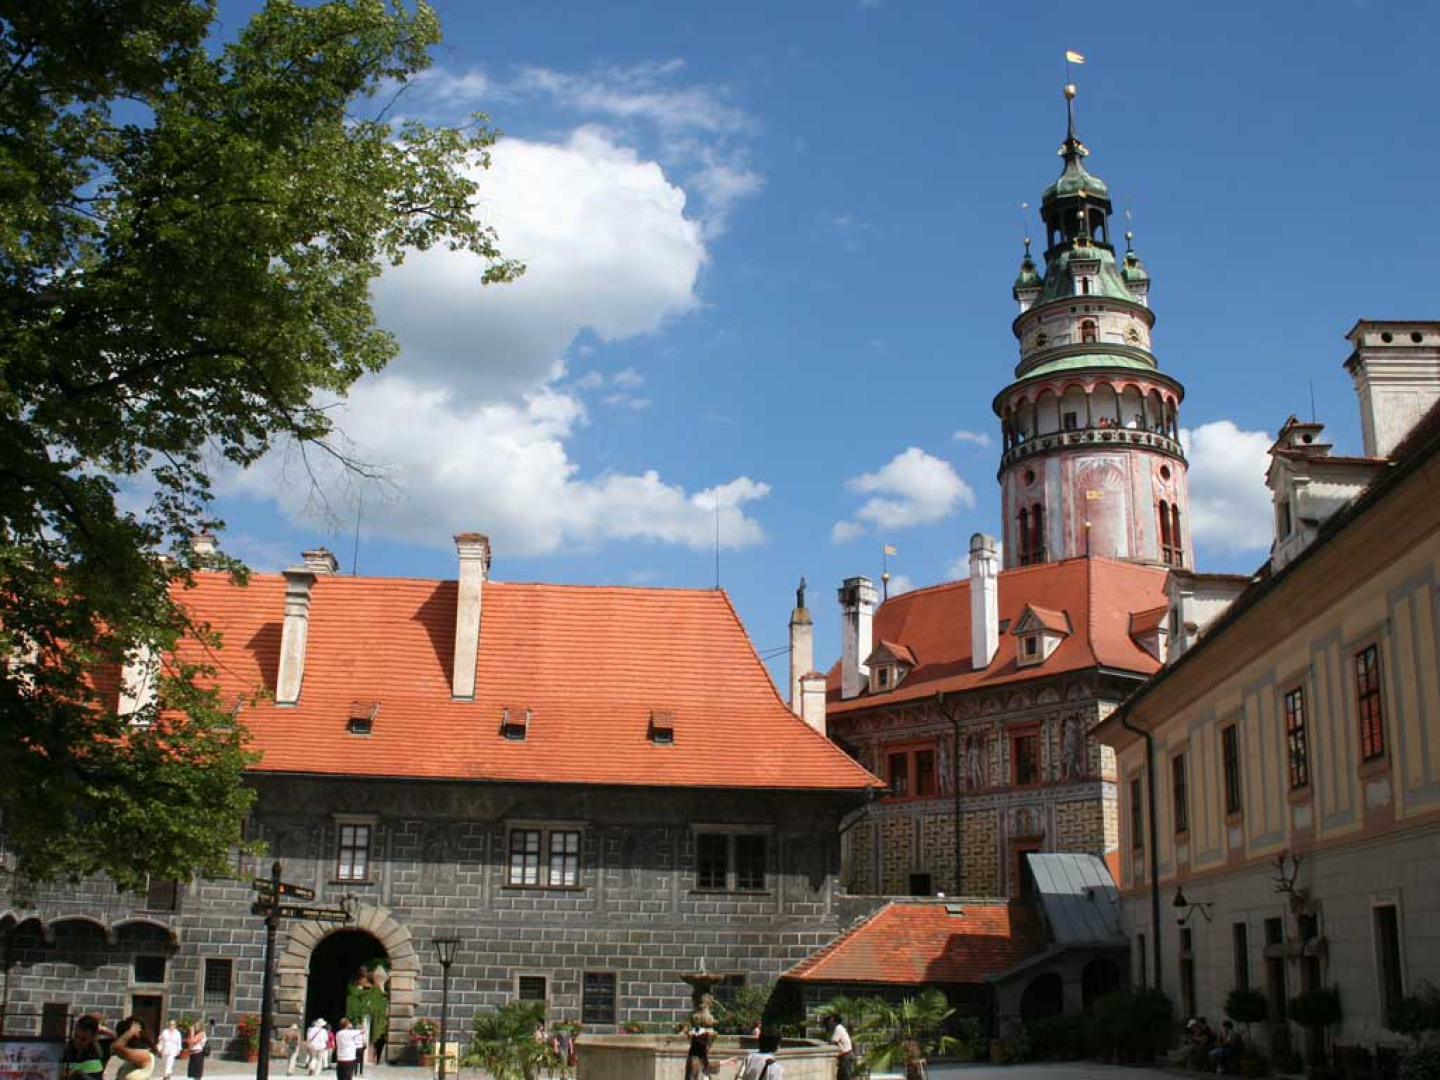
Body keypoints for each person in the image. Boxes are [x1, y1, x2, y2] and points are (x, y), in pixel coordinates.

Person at [64, 1015, 107, 1080]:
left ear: (93, 1037)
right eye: (76, 1036)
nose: (77, 1041)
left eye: (83, 1039)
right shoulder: (65, 1050)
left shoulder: (96, 1059)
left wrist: (79, 1075)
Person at [684, 1008, 716, 1080]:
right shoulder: (694, 1032)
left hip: (699, 1056)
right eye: (695, 1020)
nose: (696, 1022)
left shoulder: (703, 1032)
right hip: (696, 1055)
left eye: (697, 1020)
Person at [824, 1014, 854, 1080]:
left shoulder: (838, 1028)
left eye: (831, 1020)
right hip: (845, 1055)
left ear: (835, 1021)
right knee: (841, 1076)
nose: (830, 1022)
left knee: (845, 1077)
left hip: (845, 1056)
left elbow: (833, 1042)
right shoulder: (838, 1028)